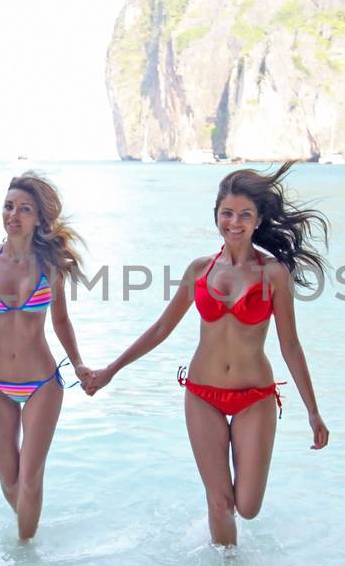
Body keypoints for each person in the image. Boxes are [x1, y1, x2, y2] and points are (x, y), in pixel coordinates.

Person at [82, 163, 329, 546]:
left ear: (258, 220)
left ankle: (231, 549)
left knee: (247, 506)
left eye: (245, 215)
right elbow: (161, 328)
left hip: (254, 398)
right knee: (219, 502)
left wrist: (313, 410)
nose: (234, 222)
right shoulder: (199, 270)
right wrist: (111, 370)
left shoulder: (273, 273)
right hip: (202, 394)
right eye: (227, 213)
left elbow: (290, 345)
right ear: (216, 215)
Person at [0, 172, 90, 541]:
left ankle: (25, 563)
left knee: (30, 480)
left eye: (24, 209)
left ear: (39, 219)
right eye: (8, 206)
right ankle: (30, 540)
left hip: (42, 384)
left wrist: (78, 363)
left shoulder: (51, 264)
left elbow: (61, 321)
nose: (13, 215)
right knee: (10, 483)